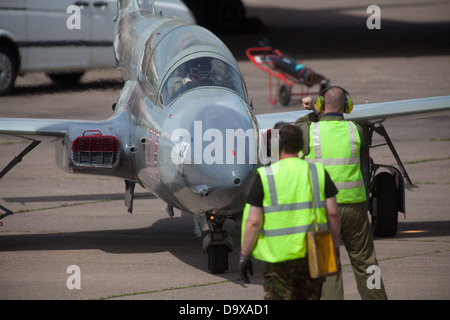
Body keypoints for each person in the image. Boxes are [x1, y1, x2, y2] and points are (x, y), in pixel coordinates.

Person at [295, 86, 388, 300]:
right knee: (366, 262)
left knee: (327, 267)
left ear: (320, 104)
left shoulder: (309, 130)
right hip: (354, 209)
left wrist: (313, 111)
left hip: (321, 211)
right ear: (347, 107)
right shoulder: (357, 131)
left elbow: (301, 123)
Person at [240, 123, 341, 300]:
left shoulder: (265, 176)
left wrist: (244, 255)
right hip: (313, 255)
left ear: (277, 146)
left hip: (279, 258)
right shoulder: (317, 171)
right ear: (301, 145)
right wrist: (331, 247)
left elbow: (253, 222)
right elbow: (333, 213)